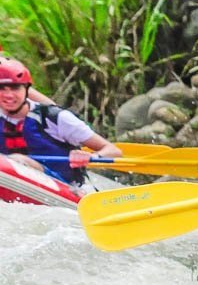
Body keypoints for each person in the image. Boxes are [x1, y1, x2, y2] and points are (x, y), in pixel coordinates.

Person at [0, 57, 121, 189]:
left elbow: (114, 151)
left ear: (27, 90)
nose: (9, 95)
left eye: (15, 88)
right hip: (11, 176)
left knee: (18, 160)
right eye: (2, 88)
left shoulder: (55, 118)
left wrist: (92, 156)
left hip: (61, 185)